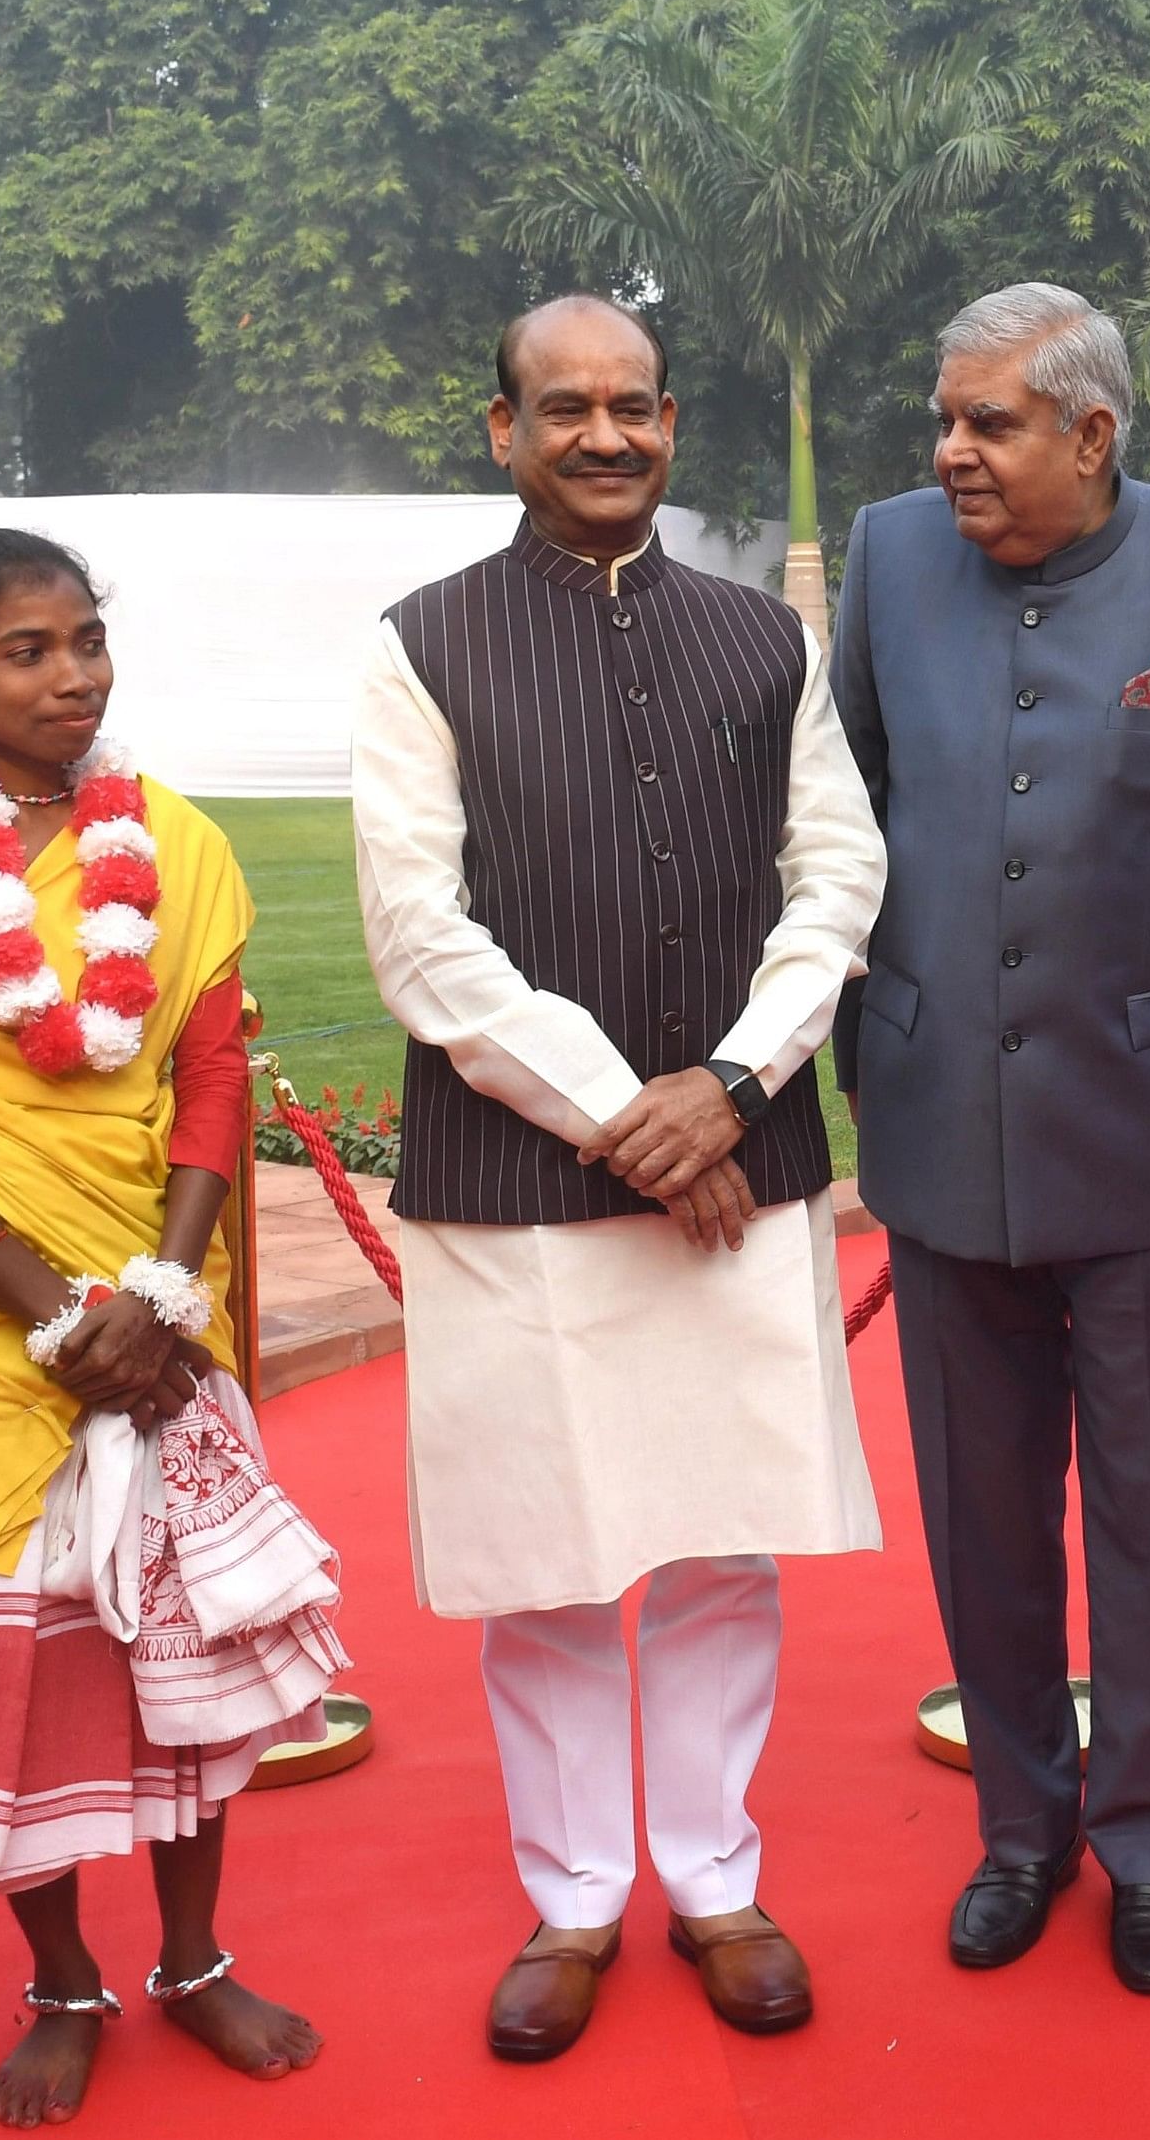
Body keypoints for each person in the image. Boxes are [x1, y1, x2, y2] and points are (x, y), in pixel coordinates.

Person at [352, 295, 886, 2061]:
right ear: (497, 428)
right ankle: (575, 1896)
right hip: (517, 1179)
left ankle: (714, 1876)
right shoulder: (420, 642)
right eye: (563, 406)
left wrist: (727, 1088)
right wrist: (625, 1115)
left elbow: (838, 878)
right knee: (554, 1558)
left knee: (729, 1543)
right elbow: (420, 937)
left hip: (744, 1150)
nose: (603, 435)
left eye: (634, 407)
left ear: (673, 427)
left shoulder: (761, 640)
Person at [0, 520, 326, 2125]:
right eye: (29, 650)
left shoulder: (179, 841)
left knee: (181, 1637)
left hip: (153, 1301)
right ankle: (64, 1977)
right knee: (20, 1655)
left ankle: (188, 1956)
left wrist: (163, 1292)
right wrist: (62, 1311)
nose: (75, 675)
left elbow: (215, 1074)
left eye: (88, 639)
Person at [830, 283, 1150, 1996]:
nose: (948, 451)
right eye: (943, 419)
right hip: (939, 1108)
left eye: (986, 423)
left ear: (1091, 435)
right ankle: (1021, 1833)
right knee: (979, 1508)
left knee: (1149, 1508)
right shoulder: (888, 556)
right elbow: (853, 811)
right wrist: (853, 1049)